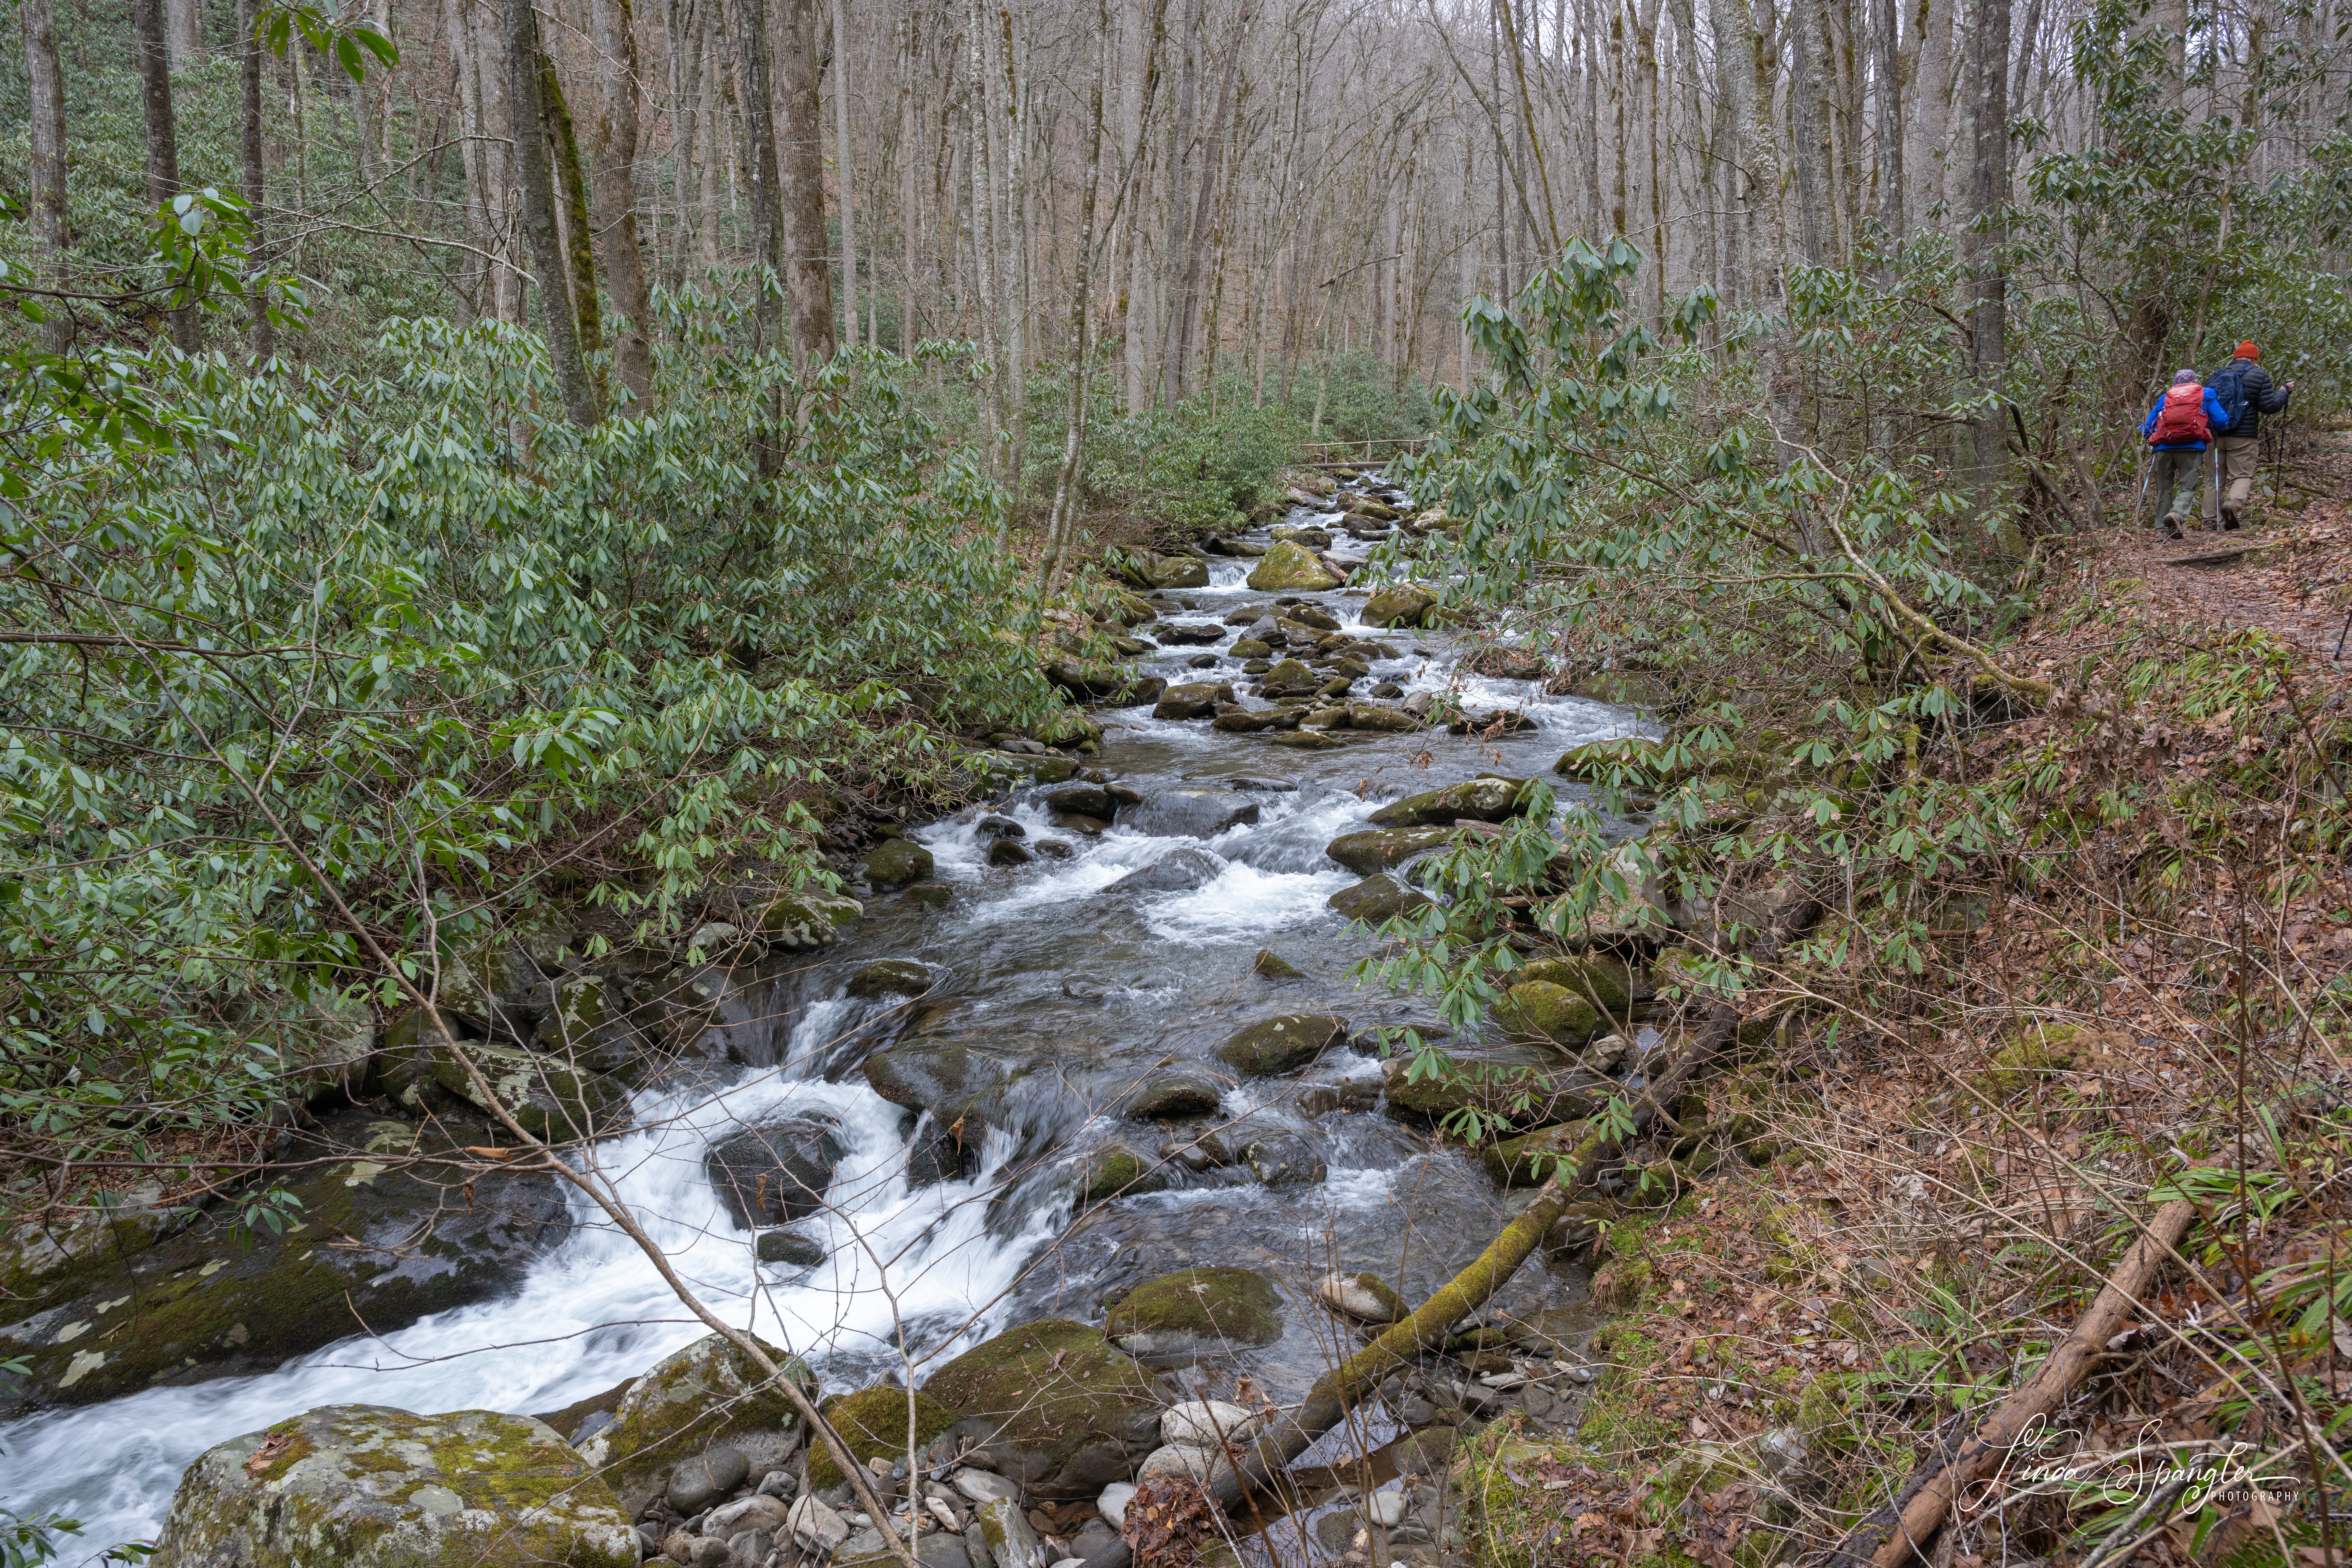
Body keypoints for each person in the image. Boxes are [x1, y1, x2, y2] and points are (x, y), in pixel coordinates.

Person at [2206, 340, 2294, 530]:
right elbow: (2269, 406)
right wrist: (2284, 392)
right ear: (2254, 359)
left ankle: (2210, 522)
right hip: (2244, 436)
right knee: (2242, 476)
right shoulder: (2259, 375)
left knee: (2214, 480)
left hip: (2214, 437)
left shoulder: (2217, 375)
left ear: (2235, 357)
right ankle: (2233, 505)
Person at [2140, 368, 2229, 541]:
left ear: (2175, 383)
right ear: (2196, 381)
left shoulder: (2165, 398)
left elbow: (2146, 428)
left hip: (2164, 448)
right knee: (2188, 487)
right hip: (2192, 447)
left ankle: (2162, 531)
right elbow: (2222, 420)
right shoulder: (2205, 394)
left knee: (2164, 489)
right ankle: (2177, 516)